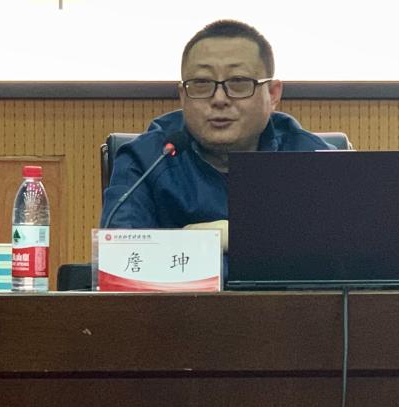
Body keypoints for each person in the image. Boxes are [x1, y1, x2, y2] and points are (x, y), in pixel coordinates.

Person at [100, 19, 333, 246]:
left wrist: (235, 235)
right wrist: (210, 241)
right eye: (202, 83)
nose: (219, 99)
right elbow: (120, 256)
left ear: (272, 94)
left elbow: (342, 252)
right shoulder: (147, 159)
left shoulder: (314, 159)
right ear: (183, 95)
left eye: (238, 82)